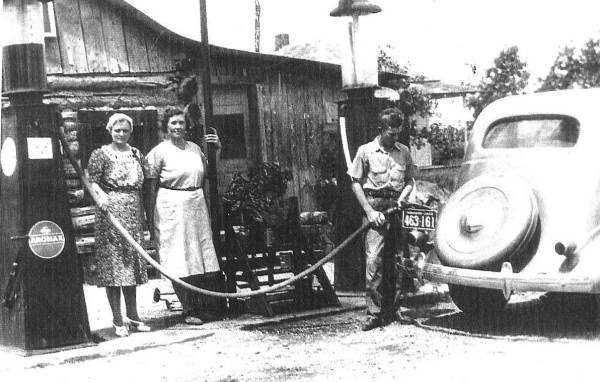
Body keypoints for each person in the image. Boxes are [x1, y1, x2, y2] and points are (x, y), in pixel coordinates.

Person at [145, 107, 224, 325]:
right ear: (166, 127)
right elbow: (150, 187)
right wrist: (150, 219)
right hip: (170, 206)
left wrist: (216, 150)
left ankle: (201, 307)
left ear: (187, 126)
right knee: (179, 257)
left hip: (196, 203)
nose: (178, 127)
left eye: (181, 123)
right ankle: (188, 309)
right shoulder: (158, 152)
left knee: (198, 255)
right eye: (173, 123)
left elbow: (208, 175)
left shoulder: (195, 149)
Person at [347, 107, 416, 331]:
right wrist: (369, 211)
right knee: (373, 262)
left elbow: (409, 181)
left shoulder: (403, 151)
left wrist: (403, 199)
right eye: (391, 133)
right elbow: (355, 182)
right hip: (375, 210)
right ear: (381, 129)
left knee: (397, 261)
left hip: (396, 209)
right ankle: (374, 314)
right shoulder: (365, 151)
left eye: (398, 133)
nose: (395, 137)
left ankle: (393, 309)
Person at [87, 113, 151, 337]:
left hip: (133, 210)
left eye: (125, 130)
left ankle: (133, 317)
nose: (121, 134)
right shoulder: (100, 154)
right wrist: (101, 195)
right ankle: (117, 321)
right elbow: (91, 181)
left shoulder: (136, 154)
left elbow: (145, 182)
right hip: (110, 213)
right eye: (117, 130)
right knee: (114, 269)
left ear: (130, 132)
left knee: (131, 266)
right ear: (110, 130)